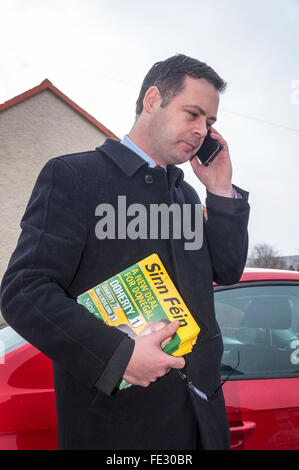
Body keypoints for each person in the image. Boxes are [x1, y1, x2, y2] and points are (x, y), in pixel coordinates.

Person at [0, 54, 250, 450]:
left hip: (203, 423)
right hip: (121, 430)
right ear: (152, 100)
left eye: (210, 123)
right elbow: (24, 292)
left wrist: (220, 190)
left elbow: (229, 269)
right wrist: (119, 355)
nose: (202, 130)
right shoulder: (74, 177)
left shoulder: (185, 196)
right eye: (193, 114)